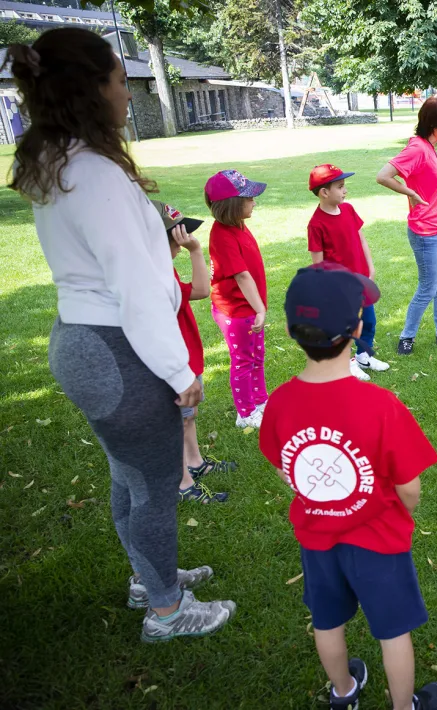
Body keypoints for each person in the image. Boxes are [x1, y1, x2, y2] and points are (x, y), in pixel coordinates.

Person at [6, 28, 234, 641]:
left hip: (85, 341)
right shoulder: (94, 173)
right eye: (117, 80)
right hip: (116, 349)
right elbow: (134, 288)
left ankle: (148, 579)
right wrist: (180, 372)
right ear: (91, 90)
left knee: (128, 477)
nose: (127, 93)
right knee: (157, 486)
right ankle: (165, 611)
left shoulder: (60, 161)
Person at [258, 264, 437, 710]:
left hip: (317, 537)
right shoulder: (379, 405)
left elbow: (287, 466)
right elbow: (410, 486)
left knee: (327, 620)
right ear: (358, 329)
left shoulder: (280, 402)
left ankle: (343, 691)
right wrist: (404, 510)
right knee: (392, 630)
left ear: (289, 329)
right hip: (379, 540)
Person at [157, 201, 235, 504]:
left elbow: (200, 291)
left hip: (187, 356)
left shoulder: (166, 269)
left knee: (188, 417)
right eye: (177, 234)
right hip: (174, 362)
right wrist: (195, 251)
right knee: (175, 422)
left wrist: (193, 251)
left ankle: (195, 462)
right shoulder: (155, 275)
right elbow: (200, 292)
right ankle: (181, 481)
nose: (182, 238)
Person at [376, 97, 437, 356]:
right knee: (428, 287)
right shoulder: (417, 149)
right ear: (433, 124)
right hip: (427, 232)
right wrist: (409, 191)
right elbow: (383, 176)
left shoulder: (429, 147)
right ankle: (407, 337)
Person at [307, 163, 390, 381]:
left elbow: (361, 238)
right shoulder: (316, 224)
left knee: (368, 321)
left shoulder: (349, 210)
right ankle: (347, 361)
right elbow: (318, 262)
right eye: (341, 186)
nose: (345, 190)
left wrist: (370, 267)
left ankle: (364, 355)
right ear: (324, 192)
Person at [205, 168, 269, 429]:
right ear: (233, 205)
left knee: (257, 355)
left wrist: (258, 309)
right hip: (236, 311)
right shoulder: (222, 235)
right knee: (243, 359)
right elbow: (242, 277)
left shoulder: (240, 226)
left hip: (250, 308)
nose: (254, 202)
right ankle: (245, 413)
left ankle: (260, 400)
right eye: (249, 198)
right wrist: (260, 309)